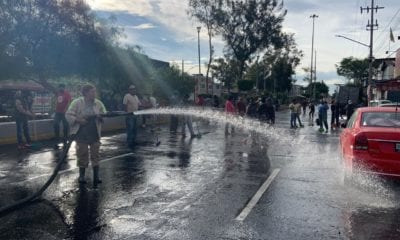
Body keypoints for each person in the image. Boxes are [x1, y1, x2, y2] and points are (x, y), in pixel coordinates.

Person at [66, 84, 106, 184]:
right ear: (86, 93)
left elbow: (104, 113)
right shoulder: (77, 102)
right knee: (82, 155)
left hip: (94, 134)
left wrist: (100, 117)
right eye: (92, 91)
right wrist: (78, 120)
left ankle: (96, 176)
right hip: (81, 134)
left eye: (94, 91)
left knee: (95, 155)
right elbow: (68, 114)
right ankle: (81, 176)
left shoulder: (98, 103)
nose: (94, 93)